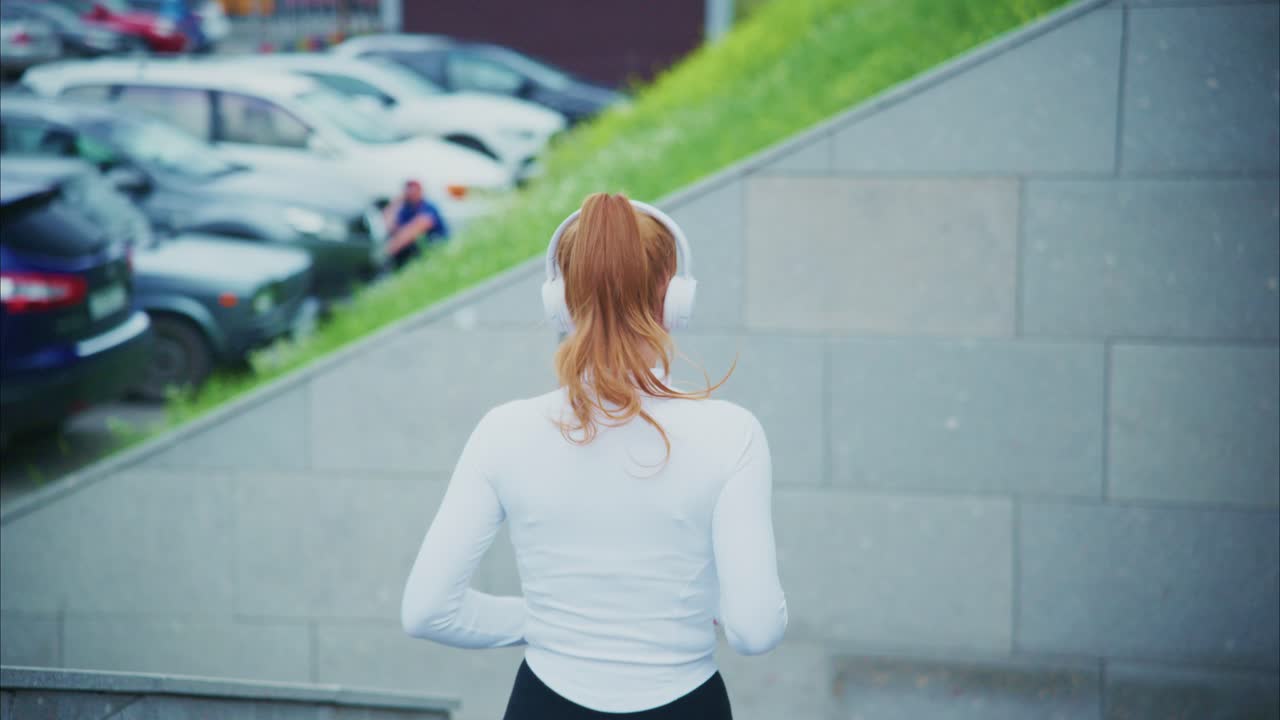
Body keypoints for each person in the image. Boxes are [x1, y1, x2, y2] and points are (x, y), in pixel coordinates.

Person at [401, 192, 786, 720]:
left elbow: (426, 612)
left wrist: (551, 621)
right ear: (675, 298)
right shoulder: (732, 433)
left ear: (559, 301)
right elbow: (756, 629)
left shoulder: (504, 430)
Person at [383, 179, 449, 269]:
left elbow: (415, 230)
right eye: (408, 191)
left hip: (436, 245)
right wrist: (395, 203)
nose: (411, 194)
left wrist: (387, 251)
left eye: (414, 190)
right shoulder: (406, 210)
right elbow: (390, 228)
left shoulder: (428, 207)